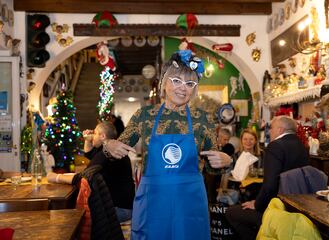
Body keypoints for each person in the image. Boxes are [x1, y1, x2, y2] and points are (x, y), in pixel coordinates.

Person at [103, 49, 233, 240]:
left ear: (194, 89)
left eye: (190, 83)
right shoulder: (144, 116)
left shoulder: (202, 119)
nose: (183, 88)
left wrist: (226, 160)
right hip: (153, 199)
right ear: (164, 83)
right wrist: (108, 145)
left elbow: (213, 167)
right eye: (176, 81)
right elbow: (117, 149)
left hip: (189, 201)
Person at [225, 116, 309, 240]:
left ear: (280, 130)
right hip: (297, 207)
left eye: (272, 128)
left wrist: (257, 204)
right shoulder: (302, 146)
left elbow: (270, 185)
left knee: (231, 213)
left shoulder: (275, 146)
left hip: (277, 209)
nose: (269, 131)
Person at [48, 121, 135, 223]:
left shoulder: (108, 153)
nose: (92, 135)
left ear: (102, 136)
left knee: (74, 219)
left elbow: (83, 177)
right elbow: (90, 155)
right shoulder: (108, 149)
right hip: (124, 207)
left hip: (120, 210)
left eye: (95, 133)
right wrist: (87, 140)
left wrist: (56, 177)